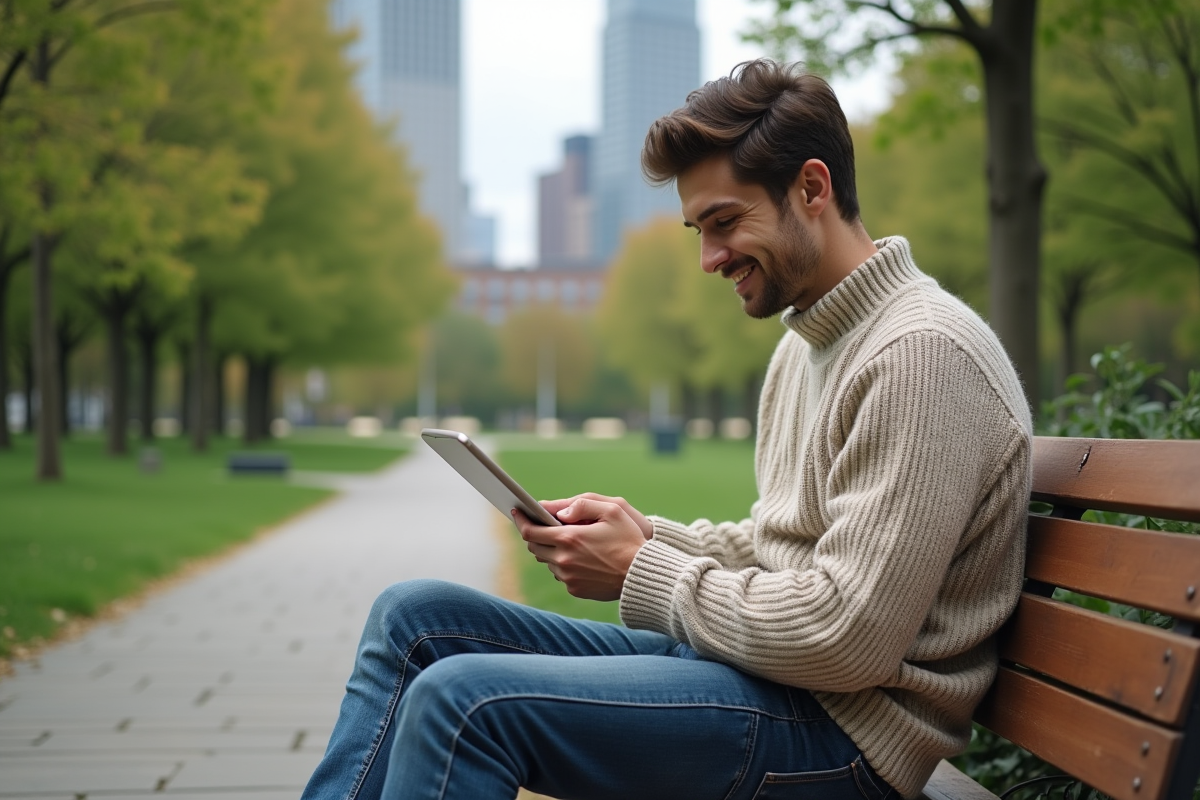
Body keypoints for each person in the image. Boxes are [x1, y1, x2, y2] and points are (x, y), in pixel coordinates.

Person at [301, 59, 1032, 800]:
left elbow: (846, 636)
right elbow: (783, 551)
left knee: (464, 703)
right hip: (768, 685)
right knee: (413, 619)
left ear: (812, 188)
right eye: (698, 230)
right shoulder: (806, 347)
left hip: (845, 737)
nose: (711, 258)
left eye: (724, 222)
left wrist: (639, 571)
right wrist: (645, 537)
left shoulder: (921, 355)